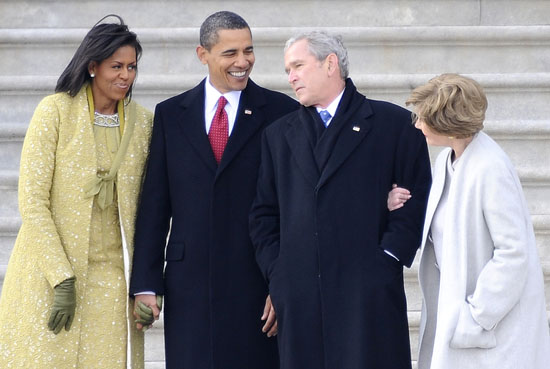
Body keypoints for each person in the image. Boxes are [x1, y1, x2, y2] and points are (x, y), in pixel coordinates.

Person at [248, 30, 432, 369]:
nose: (291, 77)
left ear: (330, 63)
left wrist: (388, 258)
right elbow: (263, 214)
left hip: (367, 296)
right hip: (301, 298)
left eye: (298, 66)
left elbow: (417, 196)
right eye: (288, 69)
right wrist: (280, 274)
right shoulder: (277, 136)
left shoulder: (394, 124)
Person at [128, 11, 299, 369]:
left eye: (248, 51)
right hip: (189, 284)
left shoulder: (282, 112)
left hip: (256, 281)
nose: (243, 62)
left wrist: (284, 285)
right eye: (230, 53)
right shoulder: (171, 114)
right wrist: (145, 282)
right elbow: (155, 206)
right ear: (202, 54)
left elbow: (295, 207)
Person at [0, 15, 153, 368]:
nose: (125, 75)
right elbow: (33, 202)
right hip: (51, 275)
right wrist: (61, 278)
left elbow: (151, 208)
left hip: (113, 280)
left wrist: (146, 282)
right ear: (92, 66)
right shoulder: (54, 112)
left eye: (131, 67)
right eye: (116, 66)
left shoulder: (144, 123)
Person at [391, 73, 550, 369]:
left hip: (489, 329)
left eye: (424, 118)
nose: (416, 125)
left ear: (448, 124)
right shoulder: (446, 162)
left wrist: (476, 317)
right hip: (457, 316)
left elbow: (513, 253)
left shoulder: (490, 168)